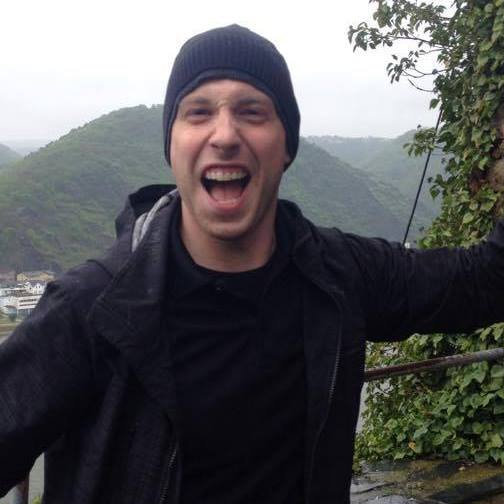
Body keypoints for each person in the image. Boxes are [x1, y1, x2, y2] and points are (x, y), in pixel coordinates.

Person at [1, 23, 503, 504]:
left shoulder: (339, 274)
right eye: (198, 112)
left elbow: (483, 280)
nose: (224, 134)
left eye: (252, 112)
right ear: (171, 146)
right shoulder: (91, 309)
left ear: (287, 146)